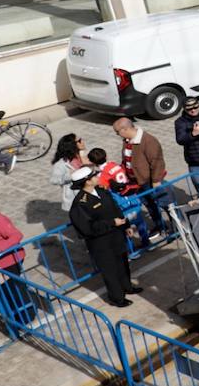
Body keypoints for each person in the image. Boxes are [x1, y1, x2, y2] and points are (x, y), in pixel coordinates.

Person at [68, 166, 139, 307]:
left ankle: (127, 287)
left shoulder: (102, 191)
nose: (97, 177)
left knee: (122, 263)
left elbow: (115, 208)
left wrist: (126, 225)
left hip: (116, 236)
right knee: (110, 270)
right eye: (93, 176)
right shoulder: (80, 204)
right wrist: (112, 223)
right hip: (101, 243)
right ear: (87, 182)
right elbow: (87, 228)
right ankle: (117, 298)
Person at [111, 117, 168, 238]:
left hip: (150, 181)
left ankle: (177, 226)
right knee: (150, 206)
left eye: (117, 132)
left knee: (164, 204)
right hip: (137, 182)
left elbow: (157, 162)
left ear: (125, 129)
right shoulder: (127, 140)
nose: (117, 134)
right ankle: (160, 226)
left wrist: (156, 180)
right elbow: (127, 159)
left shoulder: (148, 141)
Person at [51, 133, 86, 212]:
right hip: (75, 197)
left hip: (87, 193)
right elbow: (54, 180)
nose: (82, 142)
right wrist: (69, 176)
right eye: (79, 141)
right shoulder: (60, 164)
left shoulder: (81, 154)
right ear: (72, 146)